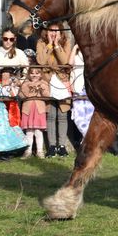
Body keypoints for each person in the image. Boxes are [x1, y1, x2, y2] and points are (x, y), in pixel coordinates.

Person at [36, 22, 71, 157]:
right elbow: (40, 60)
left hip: (62, 81)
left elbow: (64, 60)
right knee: (50, 115)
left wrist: (56, 46)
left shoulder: (66, 42)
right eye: (51, 30)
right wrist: (50, 45)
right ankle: (51, 146)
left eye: (56, 31)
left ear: (61, 32)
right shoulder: (41, 42)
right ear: (46, 31)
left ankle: (62, 146)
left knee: (62, 114)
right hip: (47, 81)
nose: (53, 33)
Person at [0, 67, 27, 161]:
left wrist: (10, 85)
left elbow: (11, 95)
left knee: (2, 130)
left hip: (0, 108)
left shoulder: (8, 84)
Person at [19, 67, 49, 159]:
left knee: (38, 131)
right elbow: (21, 95)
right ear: (29, 74)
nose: (34, 75)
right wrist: (28, 88)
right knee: (29, 131)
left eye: (37, 73)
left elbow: (47, 95)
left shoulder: (44, 83)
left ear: (40, 75)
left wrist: (41, 88)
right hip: (27, 109)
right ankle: (28, 151)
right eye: (32, 73)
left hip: (39, 109)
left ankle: (40, 151)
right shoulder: (25, 83)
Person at [69, 44, 94, 138]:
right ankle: (86, 137)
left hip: (89, 89)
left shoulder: (91, 55)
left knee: (90, 116)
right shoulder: (75, 55)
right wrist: (75, 48)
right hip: (77, 87)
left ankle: (87, 139)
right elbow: (70, 63)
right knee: (78, 116)